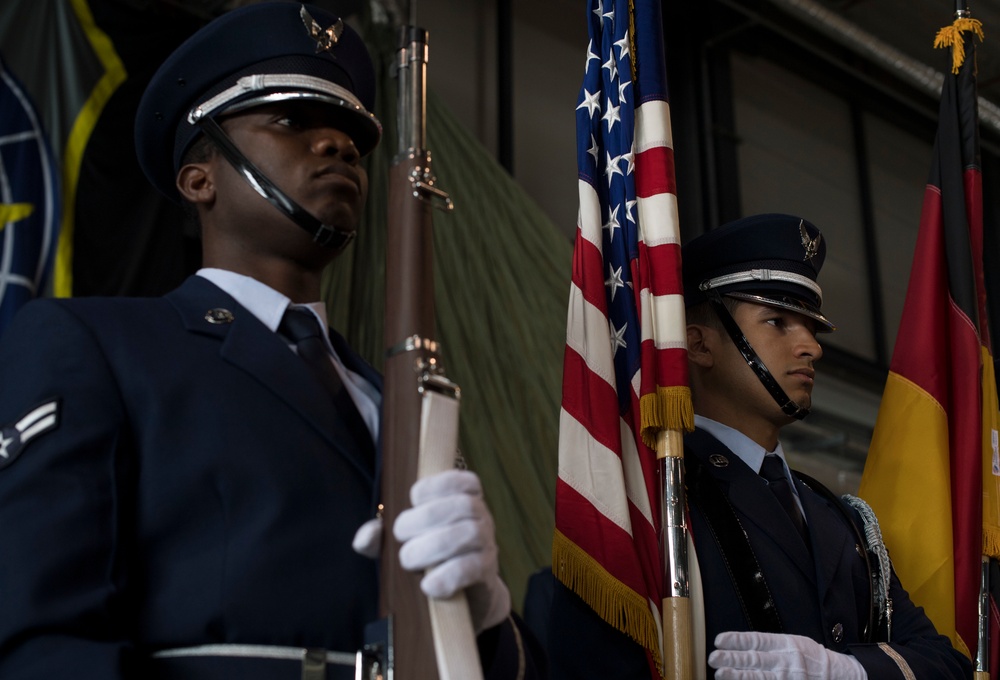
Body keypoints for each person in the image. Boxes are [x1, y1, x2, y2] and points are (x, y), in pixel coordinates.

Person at [0, 4, 541, 678]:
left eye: (352, 137)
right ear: (201, 180)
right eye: (291, 122)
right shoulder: (96, 346)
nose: (339, 145)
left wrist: (486, 614)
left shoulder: (389, 393)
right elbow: (43, 639)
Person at [547, 214, 971, 679]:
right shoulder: (656, 499)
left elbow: (948, 664)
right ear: (698, 344)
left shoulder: (840, 519)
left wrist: (850, 671)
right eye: (778, 321)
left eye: (811, 327)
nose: (812, 347)